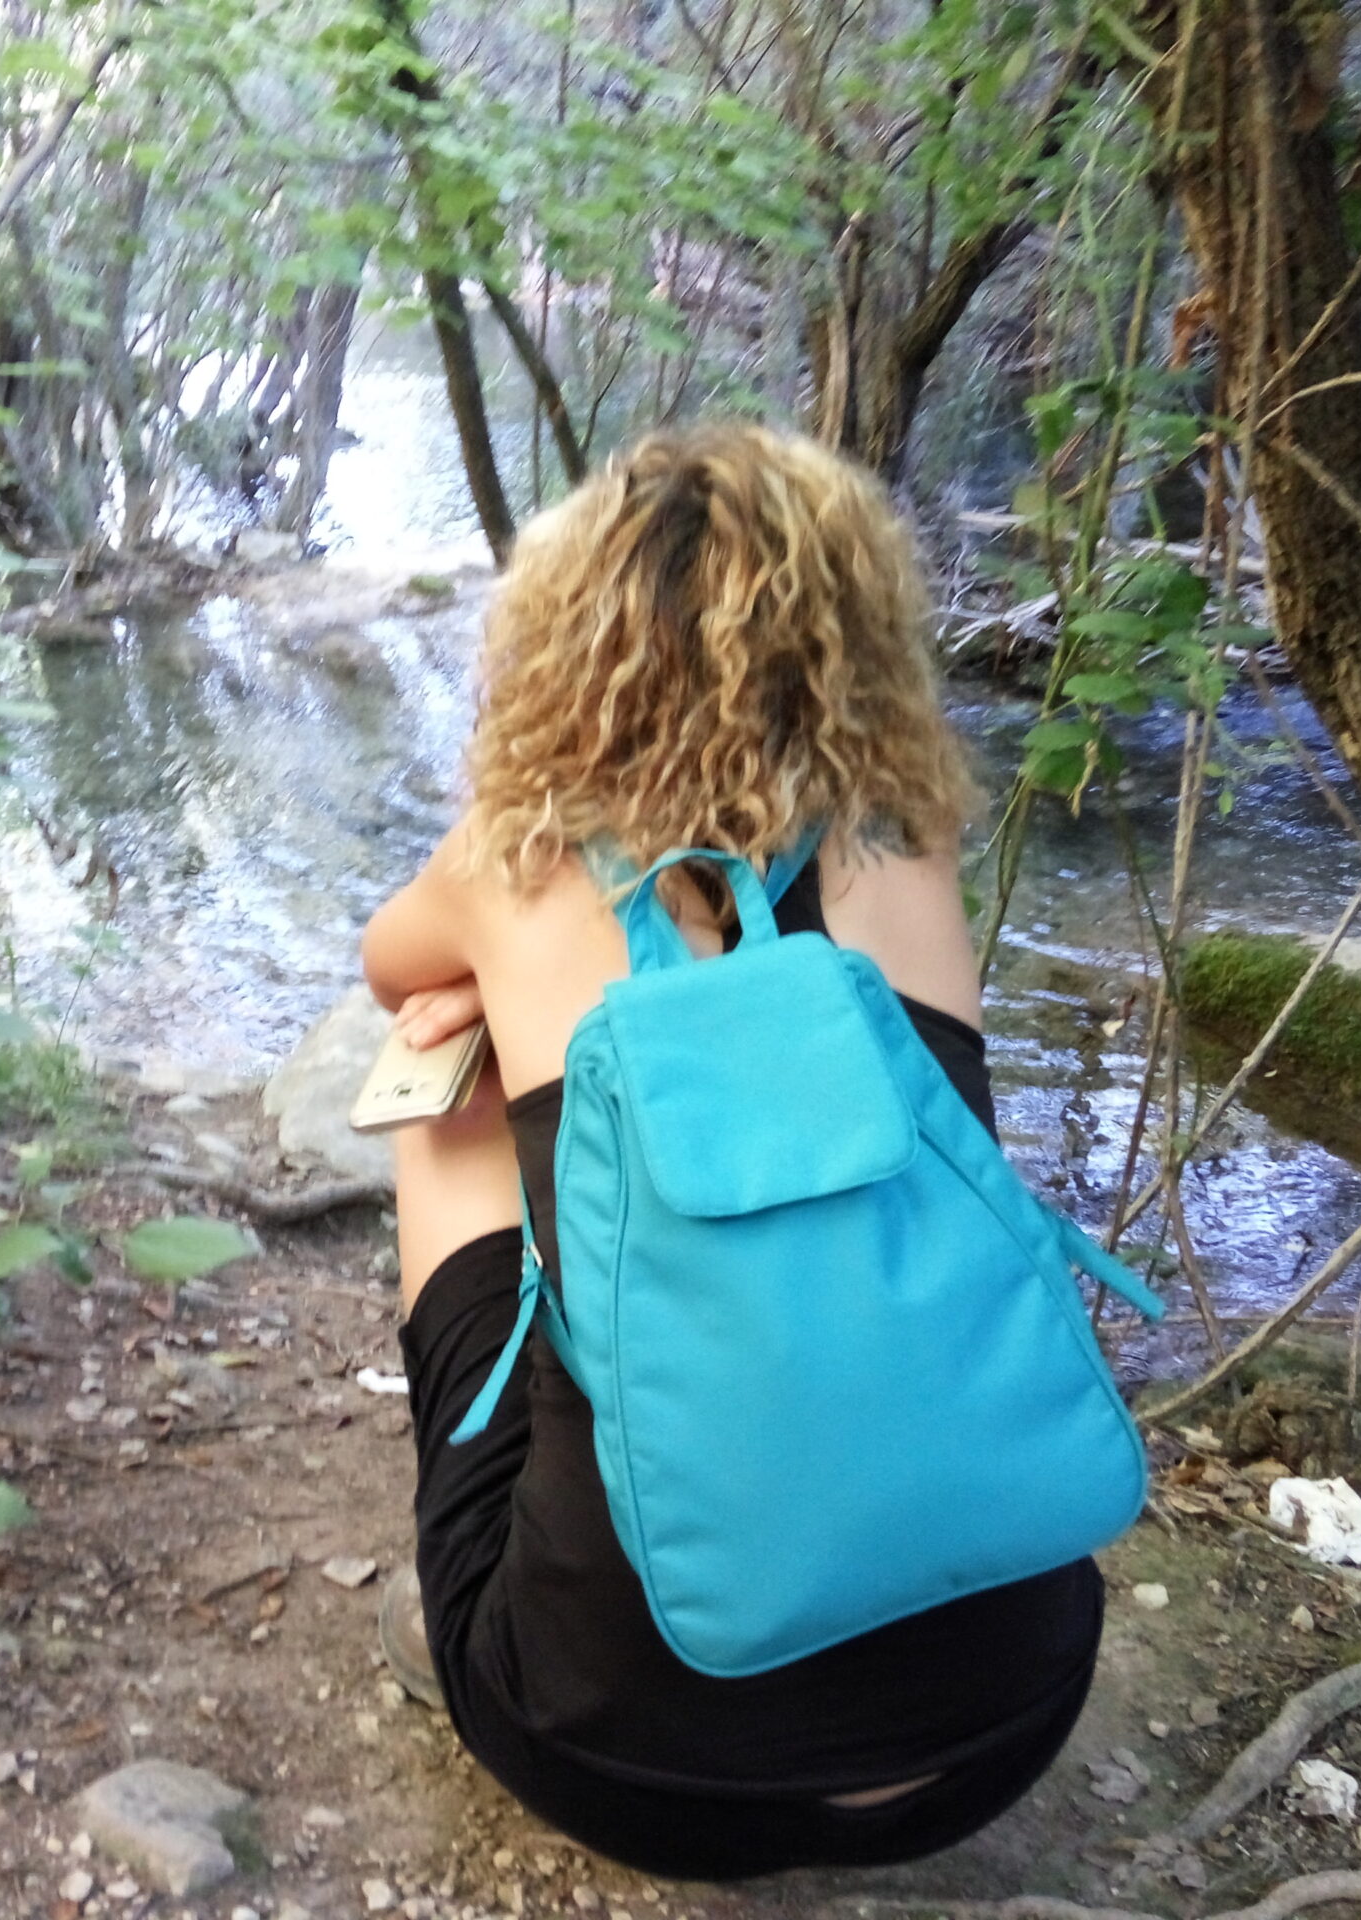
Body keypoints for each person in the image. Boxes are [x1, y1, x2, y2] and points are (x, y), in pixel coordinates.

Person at [357, 425, 1101, 1881]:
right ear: (860, 632)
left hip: (619, 1761)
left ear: (564, 648)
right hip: (1006, 1727)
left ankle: (500, 1562)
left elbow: (392, 970)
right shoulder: (905, 833)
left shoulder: (519, 855)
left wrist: (528, 995)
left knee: (443, 1104)